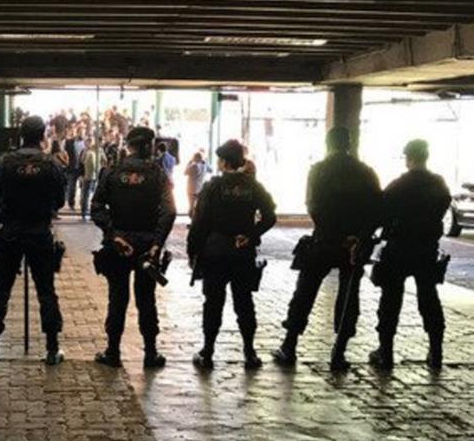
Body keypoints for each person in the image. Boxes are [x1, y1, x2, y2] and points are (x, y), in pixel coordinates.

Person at [273, 127, 381, 371]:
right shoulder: (366, 172)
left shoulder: (319, 170)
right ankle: (339, 352)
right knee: (348, 297)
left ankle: (289, 346)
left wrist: (333, 233)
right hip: (354, 244)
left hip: (324, 241)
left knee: (305, 292)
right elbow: (376, 208)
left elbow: (314, 205)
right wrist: (357, 236)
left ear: (328, 143)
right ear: (349, 143)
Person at [0, 116, 66, 365]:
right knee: (46, 291)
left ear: (21, 134)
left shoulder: (5, 162)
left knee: (0, 291)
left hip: (10, 233)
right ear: (42, 136)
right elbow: (60, 199)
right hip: (39, 233)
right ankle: (51, 348)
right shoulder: (51, 164)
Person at [91, 127, 176, 368]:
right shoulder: (158, 174)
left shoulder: (112, 172)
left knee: (117, 298)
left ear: (128, 145)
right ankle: (150, 353)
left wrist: (113, 234)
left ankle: (113, 352)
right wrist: (157, 243)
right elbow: (169, 211)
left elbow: (96, 206)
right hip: (147, 247)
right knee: (146, 299)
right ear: (149, 146)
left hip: (119, 246)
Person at [187, 140, 276, 370]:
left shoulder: (213, 186)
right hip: (242, 253)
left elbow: (200, 222)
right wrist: (251, 234)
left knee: (213, 303)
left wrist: (192, 250)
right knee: (245, 302)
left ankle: (207, 352)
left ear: (224, 162)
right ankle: (249, 352)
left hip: (215, 252)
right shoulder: (253, 186)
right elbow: (270, 216)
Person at [369, 140, 451, 370]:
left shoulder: (400, 184)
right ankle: (436, 351)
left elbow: (381, 212)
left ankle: (386, 351)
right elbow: (443, 205)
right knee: (429, 298)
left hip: (398, 248)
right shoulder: (438, 183)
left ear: (409, 157)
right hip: (426, 249)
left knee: (390, 300)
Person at [80, 136, 105, 221]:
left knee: (90, 195)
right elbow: (82, 161)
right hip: (89, 175)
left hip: (94, 176)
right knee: (87, 195)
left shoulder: (99, 150)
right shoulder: (88, 150)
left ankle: (87, 213)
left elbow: (104, 160)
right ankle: (85, 212)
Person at [65, 130, 85, 210]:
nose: (81, 134)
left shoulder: (84, 143)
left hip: (81, 168)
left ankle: (82, 203)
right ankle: (71, 203)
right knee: (72, 187)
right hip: (72, 168)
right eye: (80, 132)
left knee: (83, 187)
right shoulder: (69, 142)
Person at [184, 152, 207, 217]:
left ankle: (192, 223)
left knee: (191, 207)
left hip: (192, 189)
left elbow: (185, 172)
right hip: (200, 188)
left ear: (196, 158)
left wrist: (189, 163)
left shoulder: (194, 166)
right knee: (197, 207)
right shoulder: (204, 165)